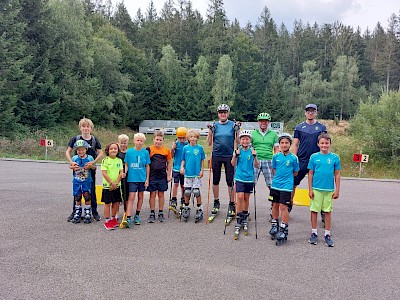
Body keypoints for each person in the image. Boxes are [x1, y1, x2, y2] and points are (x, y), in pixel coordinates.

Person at [206, 104, 240, 221]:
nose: (223, 114)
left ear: (228, 113)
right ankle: (216, 202)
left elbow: (238, 141)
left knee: (230, 181)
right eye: (221, 112)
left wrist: (238, 131)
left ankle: (231, 203)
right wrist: (210, 132)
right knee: (216, 180)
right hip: (216, 155)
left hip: (229, 156)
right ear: (218, 114)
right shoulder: (215, 125)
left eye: (225, 112)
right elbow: (209, 143)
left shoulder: (232, 125)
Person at [292, 104, 327, 215]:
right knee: (293, 182)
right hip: (302, 159)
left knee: (319, 185)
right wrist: (294, 158)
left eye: (313, 111)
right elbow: (295, 144)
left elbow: (324, 143)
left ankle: (322, 209)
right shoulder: (299, 127)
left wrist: (324, 157)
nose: (310, 113)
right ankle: (289, 204)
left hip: (317, 160)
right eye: (308, 111)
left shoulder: (321, 128)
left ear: (316, 112)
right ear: (305, 113)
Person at [66, 118, 103, 222]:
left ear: (91, 128)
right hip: (77, 169)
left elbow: (100, 152)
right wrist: (71, 163)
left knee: (91, 192)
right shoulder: (76, 138)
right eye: (84, 126)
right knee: (77, 192)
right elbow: (68, 152)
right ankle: (75, 212)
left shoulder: (94, 140)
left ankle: (94, 212)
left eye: (88, 126)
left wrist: (93, 162)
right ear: (80, 127)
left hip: (90, 170)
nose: (86, 128)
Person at [307, 133, 341, 247]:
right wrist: (310, 189)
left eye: (326, 143)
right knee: (314, 210)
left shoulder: (335, 157)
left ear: (330, 144)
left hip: (329, 189)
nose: (324, 145)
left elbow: (337, 174)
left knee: (327, 211)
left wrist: (337, 190)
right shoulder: (313, 157)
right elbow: (310, 174)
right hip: (316, 188)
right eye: (322, 143)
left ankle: (327, 234)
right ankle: (314, 232)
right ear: (318, 144)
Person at [268, 133, 299, 245]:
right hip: (275, 185)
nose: (284, 145)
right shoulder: (276, 156)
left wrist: (287, 179)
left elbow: (295, 172)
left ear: (290, 144)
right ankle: (274, 225)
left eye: (286, 143)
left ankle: (283, 228)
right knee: (275, 205)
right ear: (279, 144)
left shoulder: (294, 158)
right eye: (282, 143)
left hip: (286, 186)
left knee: (283, 206)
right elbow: (274, 169)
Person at [231, 130, 259, 239]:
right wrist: (235, 156)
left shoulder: (252, 151)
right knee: (240, 197)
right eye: (243, 139)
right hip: (239, 177)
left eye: (247, 139)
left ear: (250, 140)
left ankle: (245, 215)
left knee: (246, 198)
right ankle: (239, 217)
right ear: (240, 140)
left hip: (249, 178)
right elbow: (232, 164)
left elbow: (257, 165)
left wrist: (255, 156)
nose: (245, 141)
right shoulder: (238, 150)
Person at [251, 112, 279, 220]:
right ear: (258, 122)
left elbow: (276, 149)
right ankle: (246, 210)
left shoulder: (273, 134)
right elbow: (250, 146)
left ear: (268, 123)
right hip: (256, 159)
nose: (263, 123)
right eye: (261, 121)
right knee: (251, 183)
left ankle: (273, 208)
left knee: (271, 185)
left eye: (265, 121)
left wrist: (276, 161)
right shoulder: (254, 133)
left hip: (269, 160)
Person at [123, 133, 150, 227]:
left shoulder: (145, 153)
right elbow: (126, 164)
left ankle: (137, 215)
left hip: (142, 178)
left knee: (141, 196)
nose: (139, 142)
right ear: (134, 141)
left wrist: (147, 179)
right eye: (138, 140)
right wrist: (125, 172)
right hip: (132, 178)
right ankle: (128, 216)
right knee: (131, 197)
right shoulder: (129, 152)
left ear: (143, 142)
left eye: (141, 141)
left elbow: (147, 166)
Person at [180, 130, 205, 222]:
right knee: (187, 192)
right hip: (188, 173)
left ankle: (199, 208)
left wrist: (202, 170)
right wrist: (181, 167)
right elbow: (183, 159)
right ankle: (186, 207)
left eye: (194, 137)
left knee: (196, 191)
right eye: (191, 137)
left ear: (197, 138)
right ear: (188, 138)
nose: (193, 138)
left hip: (196, 174)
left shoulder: (200, 148)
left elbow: (202, 160)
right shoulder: (185, 148)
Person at [146, 130, 172, 223]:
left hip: (162, 176)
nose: (158, 142)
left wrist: (169, 175)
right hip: (152, 176)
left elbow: (169, 163)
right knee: (152, 194)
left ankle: (161, 212)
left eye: (160, 140)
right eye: (157, 139)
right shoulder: (149, 149)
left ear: (163, 140)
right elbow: (147, 164)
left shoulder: (166, 150)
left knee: (161, 194)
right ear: (153, 139)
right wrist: (147, 178)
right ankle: (152, 212)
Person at [69, 140, 97, 224]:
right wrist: (73, 167)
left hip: (87, 181)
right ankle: (78, 212)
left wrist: (91, 166)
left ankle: (87, 212)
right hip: (77, 181)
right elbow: (71, 166)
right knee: (78, 196)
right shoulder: (74, 158)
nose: (80, 151)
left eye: (82, 149)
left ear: (86, 149)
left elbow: (94, 168)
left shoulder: (90, 158)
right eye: (78, 150)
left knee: (87, 196)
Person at [101, 143, 124, 230]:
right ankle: (107, 221)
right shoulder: (105, 160)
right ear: (108, 150)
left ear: (118, 150)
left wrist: (116, 183)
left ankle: (113, 218)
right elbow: (104, 173)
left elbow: (121, 173)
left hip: (117, 186)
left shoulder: (119, 160)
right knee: (107, 204)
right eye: (111, 149)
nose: (113, 150)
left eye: (115, 148)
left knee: (116, 203)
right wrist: (111, 183)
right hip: (108, 186)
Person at [169, 127, 188, 215]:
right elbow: (171, 156)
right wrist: (173, 149)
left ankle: (183, 199)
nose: (182, 140)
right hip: (176, 168)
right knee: (175, 184)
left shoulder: (188, 144)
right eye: (180, 138)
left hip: (184, 168)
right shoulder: (175, 144)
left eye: (183, 138)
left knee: (183, 185)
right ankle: (174, 199)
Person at [117, 134, 129, 221]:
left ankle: (126, 211)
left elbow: (128, 164)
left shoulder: (129, 152)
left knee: (126, 193)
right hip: (117, 174)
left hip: (126, 174)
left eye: (124, 143)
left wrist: (125, 172)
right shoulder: (117, 152)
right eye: (121, 143)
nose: (123, 145)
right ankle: (116, 212)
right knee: (117, 192)